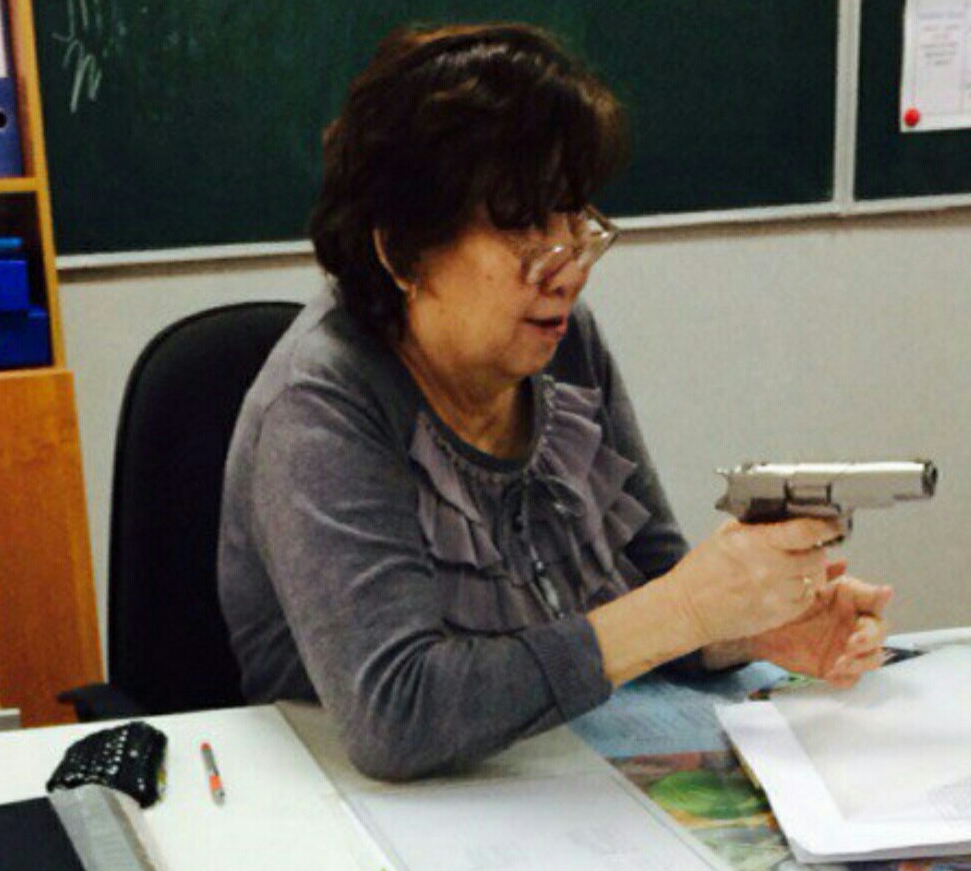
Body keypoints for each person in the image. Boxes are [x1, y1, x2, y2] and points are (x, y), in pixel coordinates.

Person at [218, 23, 892, 781]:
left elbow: (649, 582)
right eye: (525, 228)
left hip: (543, 773)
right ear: (402, 247)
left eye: (575, 219)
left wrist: (754, 626)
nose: (568, 270)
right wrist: (687, 609)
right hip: (349, 805)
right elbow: (396, 716)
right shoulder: (320, 403)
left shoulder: (561, 346)